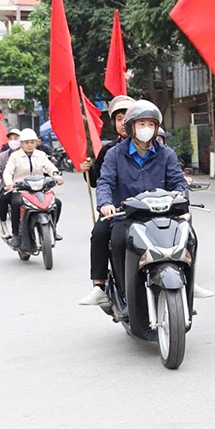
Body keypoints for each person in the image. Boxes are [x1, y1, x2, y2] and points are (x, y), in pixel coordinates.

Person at [95, 101, 191, 311]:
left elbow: (179, 182)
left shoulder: (167, 154)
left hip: (162, 214)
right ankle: (122, 292)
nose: (146, 128)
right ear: (131, 127)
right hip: (127, 216)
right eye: (141, 123)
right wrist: (105, 204)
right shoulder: (114, 154)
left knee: (189, 236)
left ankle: (190, 286)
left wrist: (180, 194)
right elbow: (105, 183)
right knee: (118, 239)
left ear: (156, 128)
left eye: (150, 124)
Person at [77, 95, 135, 306]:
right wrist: (88, 170)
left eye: (127, 117)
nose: (123, 123)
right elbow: (98, 182)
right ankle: (100, 285)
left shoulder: (155, 148)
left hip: (149, 208)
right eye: (119, 119)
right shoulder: (109, 151)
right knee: (100, 233)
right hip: (118, 211)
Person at [3, 128, 65, 248]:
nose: (30, 145)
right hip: (21, 190)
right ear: (21, 144)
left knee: (57, 203)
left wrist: (57, 176)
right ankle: (15, 234)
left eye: (32, 142)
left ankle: (53, 228)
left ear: (36, 143)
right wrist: (9, 183)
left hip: (40, 189)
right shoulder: (15, 156)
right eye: (26, 142)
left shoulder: (41, 155)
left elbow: (50, 167)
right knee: (16, 203)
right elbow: (8, 172)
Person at [0, 128, 22, 235]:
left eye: (16, 138)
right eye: (10, 138)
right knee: (7, 200)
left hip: (28, 187)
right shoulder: (3, 157)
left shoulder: (29, 154)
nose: (13, 141)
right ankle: (6, 227)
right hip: (10, 188)